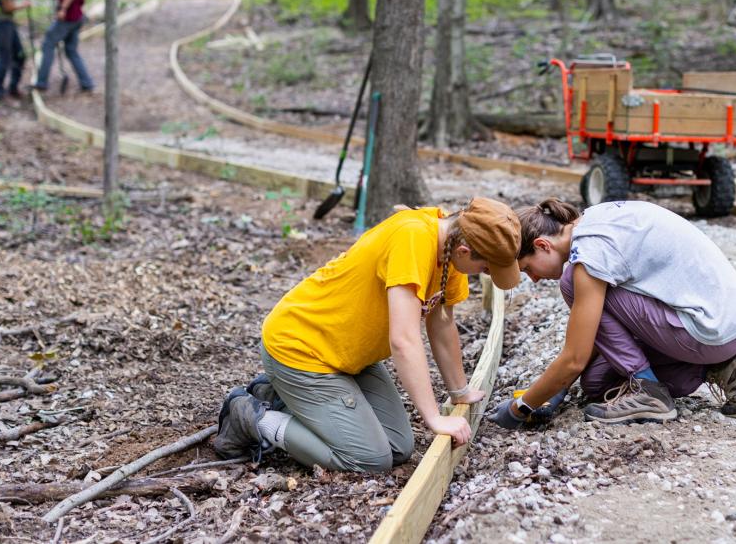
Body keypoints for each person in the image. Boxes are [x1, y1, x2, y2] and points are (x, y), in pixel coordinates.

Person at [214, 198, 522, 473]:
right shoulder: (413, 238)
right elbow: (403, 340)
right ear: (465, 250)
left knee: (399, 447)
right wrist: (434, 418)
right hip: (301, 349)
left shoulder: (450, 247)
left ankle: (281, 396)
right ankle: (252, 418)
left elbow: (441, 324)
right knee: (368, 458)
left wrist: (460, 391)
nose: (479, 272)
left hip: (347, 355)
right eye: (482, 267)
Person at [488, 198, 736, 430]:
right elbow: (595, 337)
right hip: (728, 327)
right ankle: (723, 367)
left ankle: (648, 391)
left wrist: (520, 408)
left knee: (572, 281)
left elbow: (574, 358)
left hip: (708, 329)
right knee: (597, 384)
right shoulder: (592, 220)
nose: (533, 278)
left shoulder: (589, 253)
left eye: (527, 268)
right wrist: (557, 389)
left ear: (543, 245)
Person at [33, 0, 94, 93]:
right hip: (76, 16)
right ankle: (87, 83)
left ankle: (41, 82)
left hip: (69, 16)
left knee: (48, 43)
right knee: (71, 50)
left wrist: (63, 8)